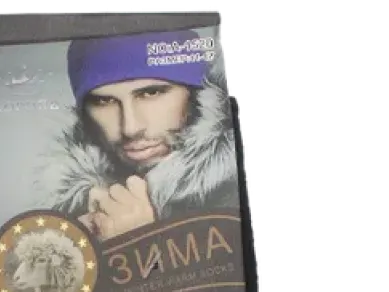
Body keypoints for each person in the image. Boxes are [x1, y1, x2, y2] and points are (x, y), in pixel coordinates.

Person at [37, 29, 238, 242]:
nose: (130, 128)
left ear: (199, 96)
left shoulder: (240, 191)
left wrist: (140, 243)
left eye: (151, 93)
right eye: (104, 101)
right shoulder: (71, 216)